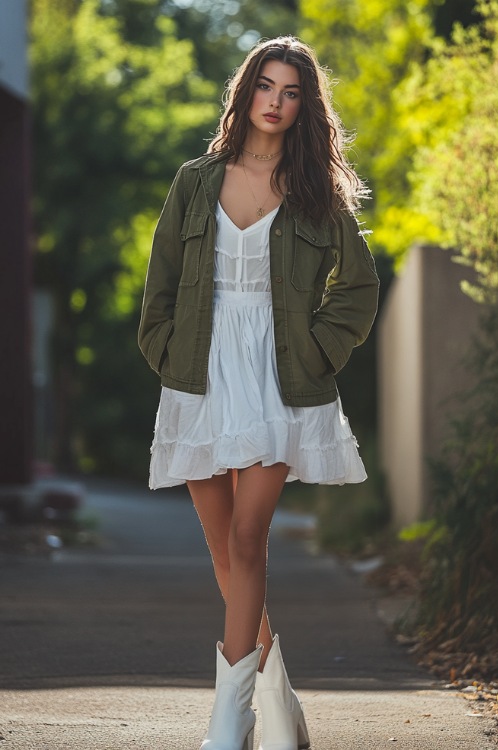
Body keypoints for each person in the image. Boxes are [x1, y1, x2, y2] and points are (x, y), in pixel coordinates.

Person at [138, 35, 379, 750]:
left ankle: (227, 722)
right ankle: (279, 705)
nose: (275, 102)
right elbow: (158, 287)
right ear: (245, 93)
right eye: (265, 86)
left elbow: (358, 290)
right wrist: (164, 352)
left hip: (279, 377)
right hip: (199, 375)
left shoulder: (316, 193)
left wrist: (314, 349)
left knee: (249, 539)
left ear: (305, 106)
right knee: (222, 551)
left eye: (292, 91)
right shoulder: (195, 181)